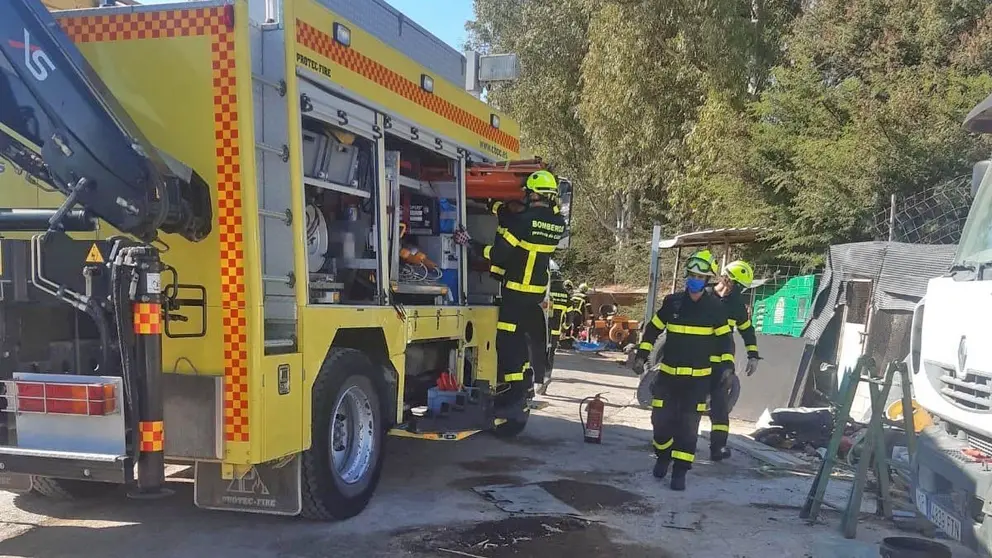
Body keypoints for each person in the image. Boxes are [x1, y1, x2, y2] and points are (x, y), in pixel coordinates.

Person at [454, 170, 565, 411]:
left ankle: (516, 392)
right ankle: (524, 385)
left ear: (533, 195)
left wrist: (471, 243)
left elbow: (499, 254)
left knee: (507, 339)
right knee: (518, 338)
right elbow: (530, 220)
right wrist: (500, 210)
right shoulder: (558, 223)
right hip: (535, 292)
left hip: (516, 290)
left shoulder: (523, 221)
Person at [631, 249, 733, 491]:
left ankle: (680, 471)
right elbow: (653, 329)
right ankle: (663, 456)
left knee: (688, 428)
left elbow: (725, 342)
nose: (694, 279)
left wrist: (726, 369)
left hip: (697, 383)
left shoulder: (715, 309)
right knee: (660, 422)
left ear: (707, 279)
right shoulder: (673, 303)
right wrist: (642, 354)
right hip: (668, 377)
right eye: (691, 274)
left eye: (700, 275)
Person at [708, 259, 761, 461]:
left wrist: (753, 355)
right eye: (737, 285)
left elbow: (747, 331)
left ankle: (718, 447)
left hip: (722, 362)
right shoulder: (703, 296)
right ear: (727, 279)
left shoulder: (737, 306)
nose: (738, 290)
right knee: (687, 403)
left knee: (720, 405)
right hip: (696, 357)